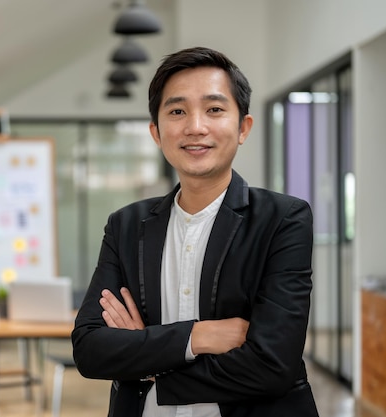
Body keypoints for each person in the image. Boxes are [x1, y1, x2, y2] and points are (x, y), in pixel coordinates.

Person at [71, 46, 319, 417]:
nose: (195, 127)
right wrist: (198, 337)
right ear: (156, 132)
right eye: (177, 111)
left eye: (215, 109)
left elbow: (272, 366)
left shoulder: (282, 219)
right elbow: (91, 350)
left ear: (243, 128)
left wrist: (147, 359)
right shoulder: (125, 225)